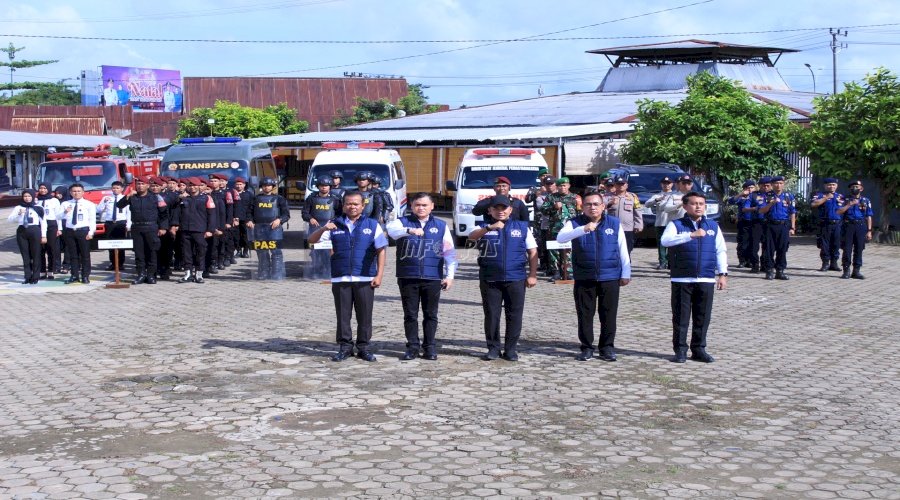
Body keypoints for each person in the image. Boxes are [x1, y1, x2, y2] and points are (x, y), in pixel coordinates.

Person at [307, 191, 388, 362]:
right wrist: (323, 228)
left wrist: (379, 275)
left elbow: (381, 250)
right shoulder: (334, 225)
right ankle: (345, 347)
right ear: (343, 205)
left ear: (362, 206)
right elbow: (312, 241)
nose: (352, 206)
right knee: (343, 315)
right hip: (341, 277)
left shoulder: (372, 225)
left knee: (364, 315)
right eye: (349, 203)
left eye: (356, 204)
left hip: (365, 277)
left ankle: (364, 347)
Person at [556, 191, 631, 362]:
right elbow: (560, 238)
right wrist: (582, 229)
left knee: (609, 314)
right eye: (588, 204)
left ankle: (607, 348)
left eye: (596, 204)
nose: (592, 207)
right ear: (582, 207)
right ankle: (586, 347)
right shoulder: (574, 223)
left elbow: (622, 248)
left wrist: (626, 272)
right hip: (585, 276)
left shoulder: (613, 223)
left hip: (610, 276)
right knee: (585, 314)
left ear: (603, 206)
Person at [386, 192, 458, 361]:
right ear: (411, 206)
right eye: (417, 205)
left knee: (430, 314)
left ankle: (430, 347)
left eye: (425, 205)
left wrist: (450, 276)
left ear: (432, 206)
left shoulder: (441, 225)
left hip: (432, 277)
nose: (421, 208)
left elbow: (449, 252)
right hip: (407, 275)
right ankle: (412, 347)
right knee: (410, 314)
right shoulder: (402, 222)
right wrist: (409, 230)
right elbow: (390, 230)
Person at [468, 195, 539, 361]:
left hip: (516, 278)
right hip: (490, 278)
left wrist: (533, 275)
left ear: (510, 210)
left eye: (504, 208)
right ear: (490, 210)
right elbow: (471, 238)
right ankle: (493, 348)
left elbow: (533, 251)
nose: (501, 211)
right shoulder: (483, 227)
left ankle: (511, 349)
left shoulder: (522, 227)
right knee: (492, 315)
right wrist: (489, 228)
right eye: (497, 208)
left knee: (514, 315)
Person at [660, 191, 728, 363]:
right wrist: (690, 235)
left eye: (701, 204)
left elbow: (721, 250)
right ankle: (680, 350)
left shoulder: (712, 226)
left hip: (705, 278)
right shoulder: (676, 224)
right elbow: (665, 241)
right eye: (694, 203)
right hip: (682, 278)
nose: (698, 206)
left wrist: (722, 274)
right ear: (685, 206)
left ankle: (699, 349)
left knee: (702, 317)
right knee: (681, 317)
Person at [117, 176, 168, 284]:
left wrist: (163, 227)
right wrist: (127, 195)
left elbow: (164, 214)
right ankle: (140, 275)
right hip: (137, 228)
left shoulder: (155, 197)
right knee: (139, 253)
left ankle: (151, 275)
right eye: (138, 184)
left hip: (151, 227)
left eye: (142, 184)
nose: (140, 186)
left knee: (152, 252)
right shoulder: (132, 197)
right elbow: (119, 205)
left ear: (147, 186)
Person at [170, 177, 215, 283]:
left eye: (195, 185)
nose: (193, 188)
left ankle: (199, 274)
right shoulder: (183, 199)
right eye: (190, 186)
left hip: (200, 230)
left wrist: (210, 230)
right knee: (186, 253)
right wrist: (174, 225)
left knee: (200, 252)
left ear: (199, 186)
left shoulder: (206, 198)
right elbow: (176, 213)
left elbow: (212, 215)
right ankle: (188, 274)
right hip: (185, 230)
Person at [247, 177, 290, 280]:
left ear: (273, 187)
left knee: (276, 252)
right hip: (259, 228)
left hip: (274, 229)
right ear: (261, 187)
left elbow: (286, 214)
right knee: (262, 252)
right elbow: (249, 212)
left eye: (269, 185)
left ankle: (277, 274)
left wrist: (279, 220)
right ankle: (263, 273)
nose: (267, 187)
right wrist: (249, 220)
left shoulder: (279, 199)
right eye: (264, 186)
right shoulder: (255, 199)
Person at [541, 176, 581, 281]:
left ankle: (568, 272)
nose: (562, 188)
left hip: (570, 230)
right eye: (560, 186)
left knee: (568, 251)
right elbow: (543, 210)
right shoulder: (551, 197)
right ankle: (556, 272)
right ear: (557, 187)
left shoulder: (575, 197)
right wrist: (553, 207)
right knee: (554, 251)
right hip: (554, 228)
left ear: (568, 186)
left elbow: (580, 213)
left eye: (564, 185)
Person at [757, 175, 796, 280]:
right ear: (772, 185)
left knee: (782, 249)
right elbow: (761, 211)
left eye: (781, 183)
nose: (778, 185)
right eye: (776, 183)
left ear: (783, 184)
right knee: (769, 249)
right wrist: (771, 203)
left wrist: (792, 227)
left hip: (784, 226)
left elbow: (792, 212)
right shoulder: (766, 196)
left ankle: (780, 271)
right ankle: (769, 271)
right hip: (770, 225)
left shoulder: (789, 196)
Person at [302, 175, 342, 279]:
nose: (324, 187)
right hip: (315, 229)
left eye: (326, 185)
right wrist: (310, 218)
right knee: (315, 252)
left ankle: (328, 272)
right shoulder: (311, 199)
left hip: (330, 230)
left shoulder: (335, 199)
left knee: (328, 252)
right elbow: (304, 213)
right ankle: (316, 272)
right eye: (322, 185)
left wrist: (333, 221)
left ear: (330, 187)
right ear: (318, 186)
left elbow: (340, 214)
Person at [58, 183, 97, 284]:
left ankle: (85, 275)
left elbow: (92, 220)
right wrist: (65, 212)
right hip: (70, 231)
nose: (76, 193)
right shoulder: (65, 204)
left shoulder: (89, 204)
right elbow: (58, 216)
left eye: (79, 191)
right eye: (74, 191)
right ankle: (74, 275)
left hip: (83, 231)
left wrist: (91, 232)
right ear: (70, 192)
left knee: (85, 255)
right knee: (73, 255)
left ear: (83, 192)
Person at [7, 189, 47, 284]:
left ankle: (35, 276)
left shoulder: (39, 208)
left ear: (33, 197)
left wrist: (44, 235)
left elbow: (43, 222)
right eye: (25, 196)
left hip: (35, 231)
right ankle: (27, 276)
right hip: (22, 231)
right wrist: (19, 214)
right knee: (25, 255)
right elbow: (10, 220)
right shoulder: (18, 207)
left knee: (36, 254)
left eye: (29, 196)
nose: (27, 198)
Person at [837, 180, 874, 279]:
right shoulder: (844, 199)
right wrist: (849, 204)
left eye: (857, 187)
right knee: (847, 248)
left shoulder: (866, 200)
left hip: (860, 226)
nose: (855, 188)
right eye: (853, 187)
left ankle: (856, 271)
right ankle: (846, 270)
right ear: (850, 189)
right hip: (848, 226)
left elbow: (869, 216)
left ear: (861, 188)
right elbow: (839, 211)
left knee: (859, 248)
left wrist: (869, 231)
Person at [810, 177, 845, 272]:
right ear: (825, 186)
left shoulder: (841, 197)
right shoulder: (820, 195)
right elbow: (813, 204)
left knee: (836, 244)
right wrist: (825, 198)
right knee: (824, 245)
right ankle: (825, 263)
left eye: (833, 185)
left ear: (836, 186)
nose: (831, 186)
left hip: (837, 224)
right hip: (825, 224)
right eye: (829, 185)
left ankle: (834, 264)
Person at [605, 175, 644, 255]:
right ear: (615, 185)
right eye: (618, 184)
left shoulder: (633, 197)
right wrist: (609, 203)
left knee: (627, 249)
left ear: (627, 185)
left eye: (622, 184)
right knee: (612, 248)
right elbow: (600, 208)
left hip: (627, 228)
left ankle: (626, 265)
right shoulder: (607, 196)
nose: (620, 186)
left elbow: (637, 211)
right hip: (611, 227)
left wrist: (639, 224)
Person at [644, 176, 676, 270]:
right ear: (661, 184)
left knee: (672, 243)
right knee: (661, 244)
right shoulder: (657, 195)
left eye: (668, 183)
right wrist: (656, 200)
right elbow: (647, 204)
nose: (666, 185)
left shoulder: (675, 195)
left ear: (672, 184)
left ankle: (670, 262)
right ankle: (662, 262)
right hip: (660, 222)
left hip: (672, 223)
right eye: (664, 183)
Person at [97, 180, 130, 270]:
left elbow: (128, 212)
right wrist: (104, 202)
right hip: (109, 223)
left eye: (117, 188)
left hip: (121, 223)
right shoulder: (107, 198)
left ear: (122, 189)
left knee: (121, 244)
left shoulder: (125, 198)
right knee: (110, 244)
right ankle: (113, 263)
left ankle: (120, 263)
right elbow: (98, 209)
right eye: (113, 188)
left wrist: (128, 224)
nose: (115, 190)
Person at [525, 175, 555, 273]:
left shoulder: (556, 192)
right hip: (539, 221)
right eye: (547, 183)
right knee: (541, 244)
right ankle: (544, 265)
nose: (549, 185)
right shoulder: (536, 189)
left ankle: (552, 266)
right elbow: (527, 199)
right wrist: (537, 193)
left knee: (551, 245)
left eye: (551, 183)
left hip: (553, 223)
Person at [726, 180, 758, 269]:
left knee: (753, 243)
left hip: (755, 222)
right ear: (744, 189)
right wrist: (740, 194)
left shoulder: (757, 197)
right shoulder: (742, 198)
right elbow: (731, 201)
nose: (750, 190)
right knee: (742, 243)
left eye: (752, 187)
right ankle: (742, 260)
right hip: (743, 222)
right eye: (748, 188)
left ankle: (751, 261)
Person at [35, 182, 61, 279]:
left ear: (49, 189)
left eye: (45, 188)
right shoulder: (36, 200)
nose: (42, 190)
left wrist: (60, 228)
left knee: (51, 248)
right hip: (38, 225)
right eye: (41, 188)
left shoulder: (54, 200)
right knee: (40, 248)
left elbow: (58, 215)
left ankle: (51, 270)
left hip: (51, 224)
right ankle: (42, 270)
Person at [750, 176, 773, 274]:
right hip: (756, 222)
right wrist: (756, 208)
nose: (766, 187)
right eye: (763, 186)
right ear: (759, 186)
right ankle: (755, 265)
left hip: (768, 223)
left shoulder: (773, 195)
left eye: (768, 186)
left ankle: (764, 264)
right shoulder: (754, 195)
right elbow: (748, 206)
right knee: (754, 245)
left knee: (767, 245)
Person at [231, 177, 254, 258]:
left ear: (244, 185)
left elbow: (251, 207)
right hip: (235, 219)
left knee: (245, 235)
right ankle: (238, 250)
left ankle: (245, 251)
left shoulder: (249, 194)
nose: (238, 186)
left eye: (240, 184)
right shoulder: (231, 194)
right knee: (236, 235)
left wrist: (250, 219)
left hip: (245, 219)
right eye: (237, 184)